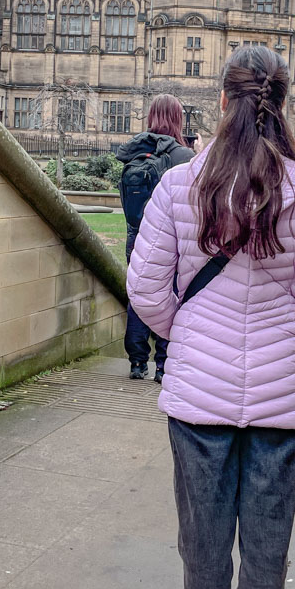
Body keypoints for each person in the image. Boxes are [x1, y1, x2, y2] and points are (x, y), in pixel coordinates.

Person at [127, 46, 295, 589]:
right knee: (266, 549)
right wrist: (287, 353)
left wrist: (185, 338)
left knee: (204, 541)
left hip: (198, 405)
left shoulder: (178, 187)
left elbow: (145, 291)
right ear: (282, 104)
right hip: (279, 406)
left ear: (222, 103)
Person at [117, 95, 194, 383]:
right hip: (170, 242)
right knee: (170, 297)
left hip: (135, 238)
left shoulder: (133, 152)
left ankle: (137, 362)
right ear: (177, 119)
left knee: (139, 296)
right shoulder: (181, 156)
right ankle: (163, 365)